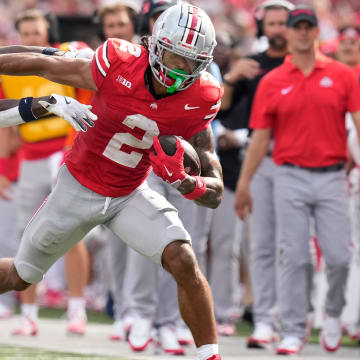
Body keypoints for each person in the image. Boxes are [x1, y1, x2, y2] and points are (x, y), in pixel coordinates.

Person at [0, 3, 223, 360]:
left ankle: (210, 355)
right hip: (78, 185)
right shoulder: (118, 61)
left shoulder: (202, 98)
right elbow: (43, 61)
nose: (179, 70)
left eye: (190, 62)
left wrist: (186, 183)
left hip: (129, 193)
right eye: (173, 56)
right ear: (154, 44)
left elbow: (215, 190)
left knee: (182, 258)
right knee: (20, 276)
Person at [234, 5, 360, 355]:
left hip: (333, 176)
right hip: (288, 176)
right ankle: (292, 327)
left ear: (317, 31)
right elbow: (260, 138)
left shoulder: (342, 75)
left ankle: (332, 313)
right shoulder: (272, 82)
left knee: (338, 257)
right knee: (293, 256)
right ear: (288, 33)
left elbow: (359, 123)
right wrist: (245, 184)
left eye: (308, 26)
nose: (303, 32)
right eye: (297, 27)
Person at [0, 9, 91, 336]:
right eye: (26, 34)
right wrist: (4, 170)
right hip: (30, 155)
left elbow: (87, 103)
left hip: (65, 151)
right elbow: (7, 126)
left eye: (37, 33)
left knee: (73, 231)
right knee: (27, 235)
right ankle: (29, 314)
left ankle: (76, 309)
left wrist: (73, 153)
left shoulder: (65, 57)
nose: (32, 39)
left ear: (48, 32)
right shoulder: (8, 71)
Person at [220, 0, 294, 346]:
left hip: (300, 159)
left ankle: (293, 317)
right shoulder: (253, 65)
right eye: (273, 22)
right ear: (263, 25)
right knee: (261, 243)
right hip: (261, 157)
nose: (278, 29)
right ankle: (265, 318)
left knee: (296, 247)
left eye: (284, 23)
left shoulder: (306, 64)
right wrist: (233, 77)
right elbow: (221, 107)